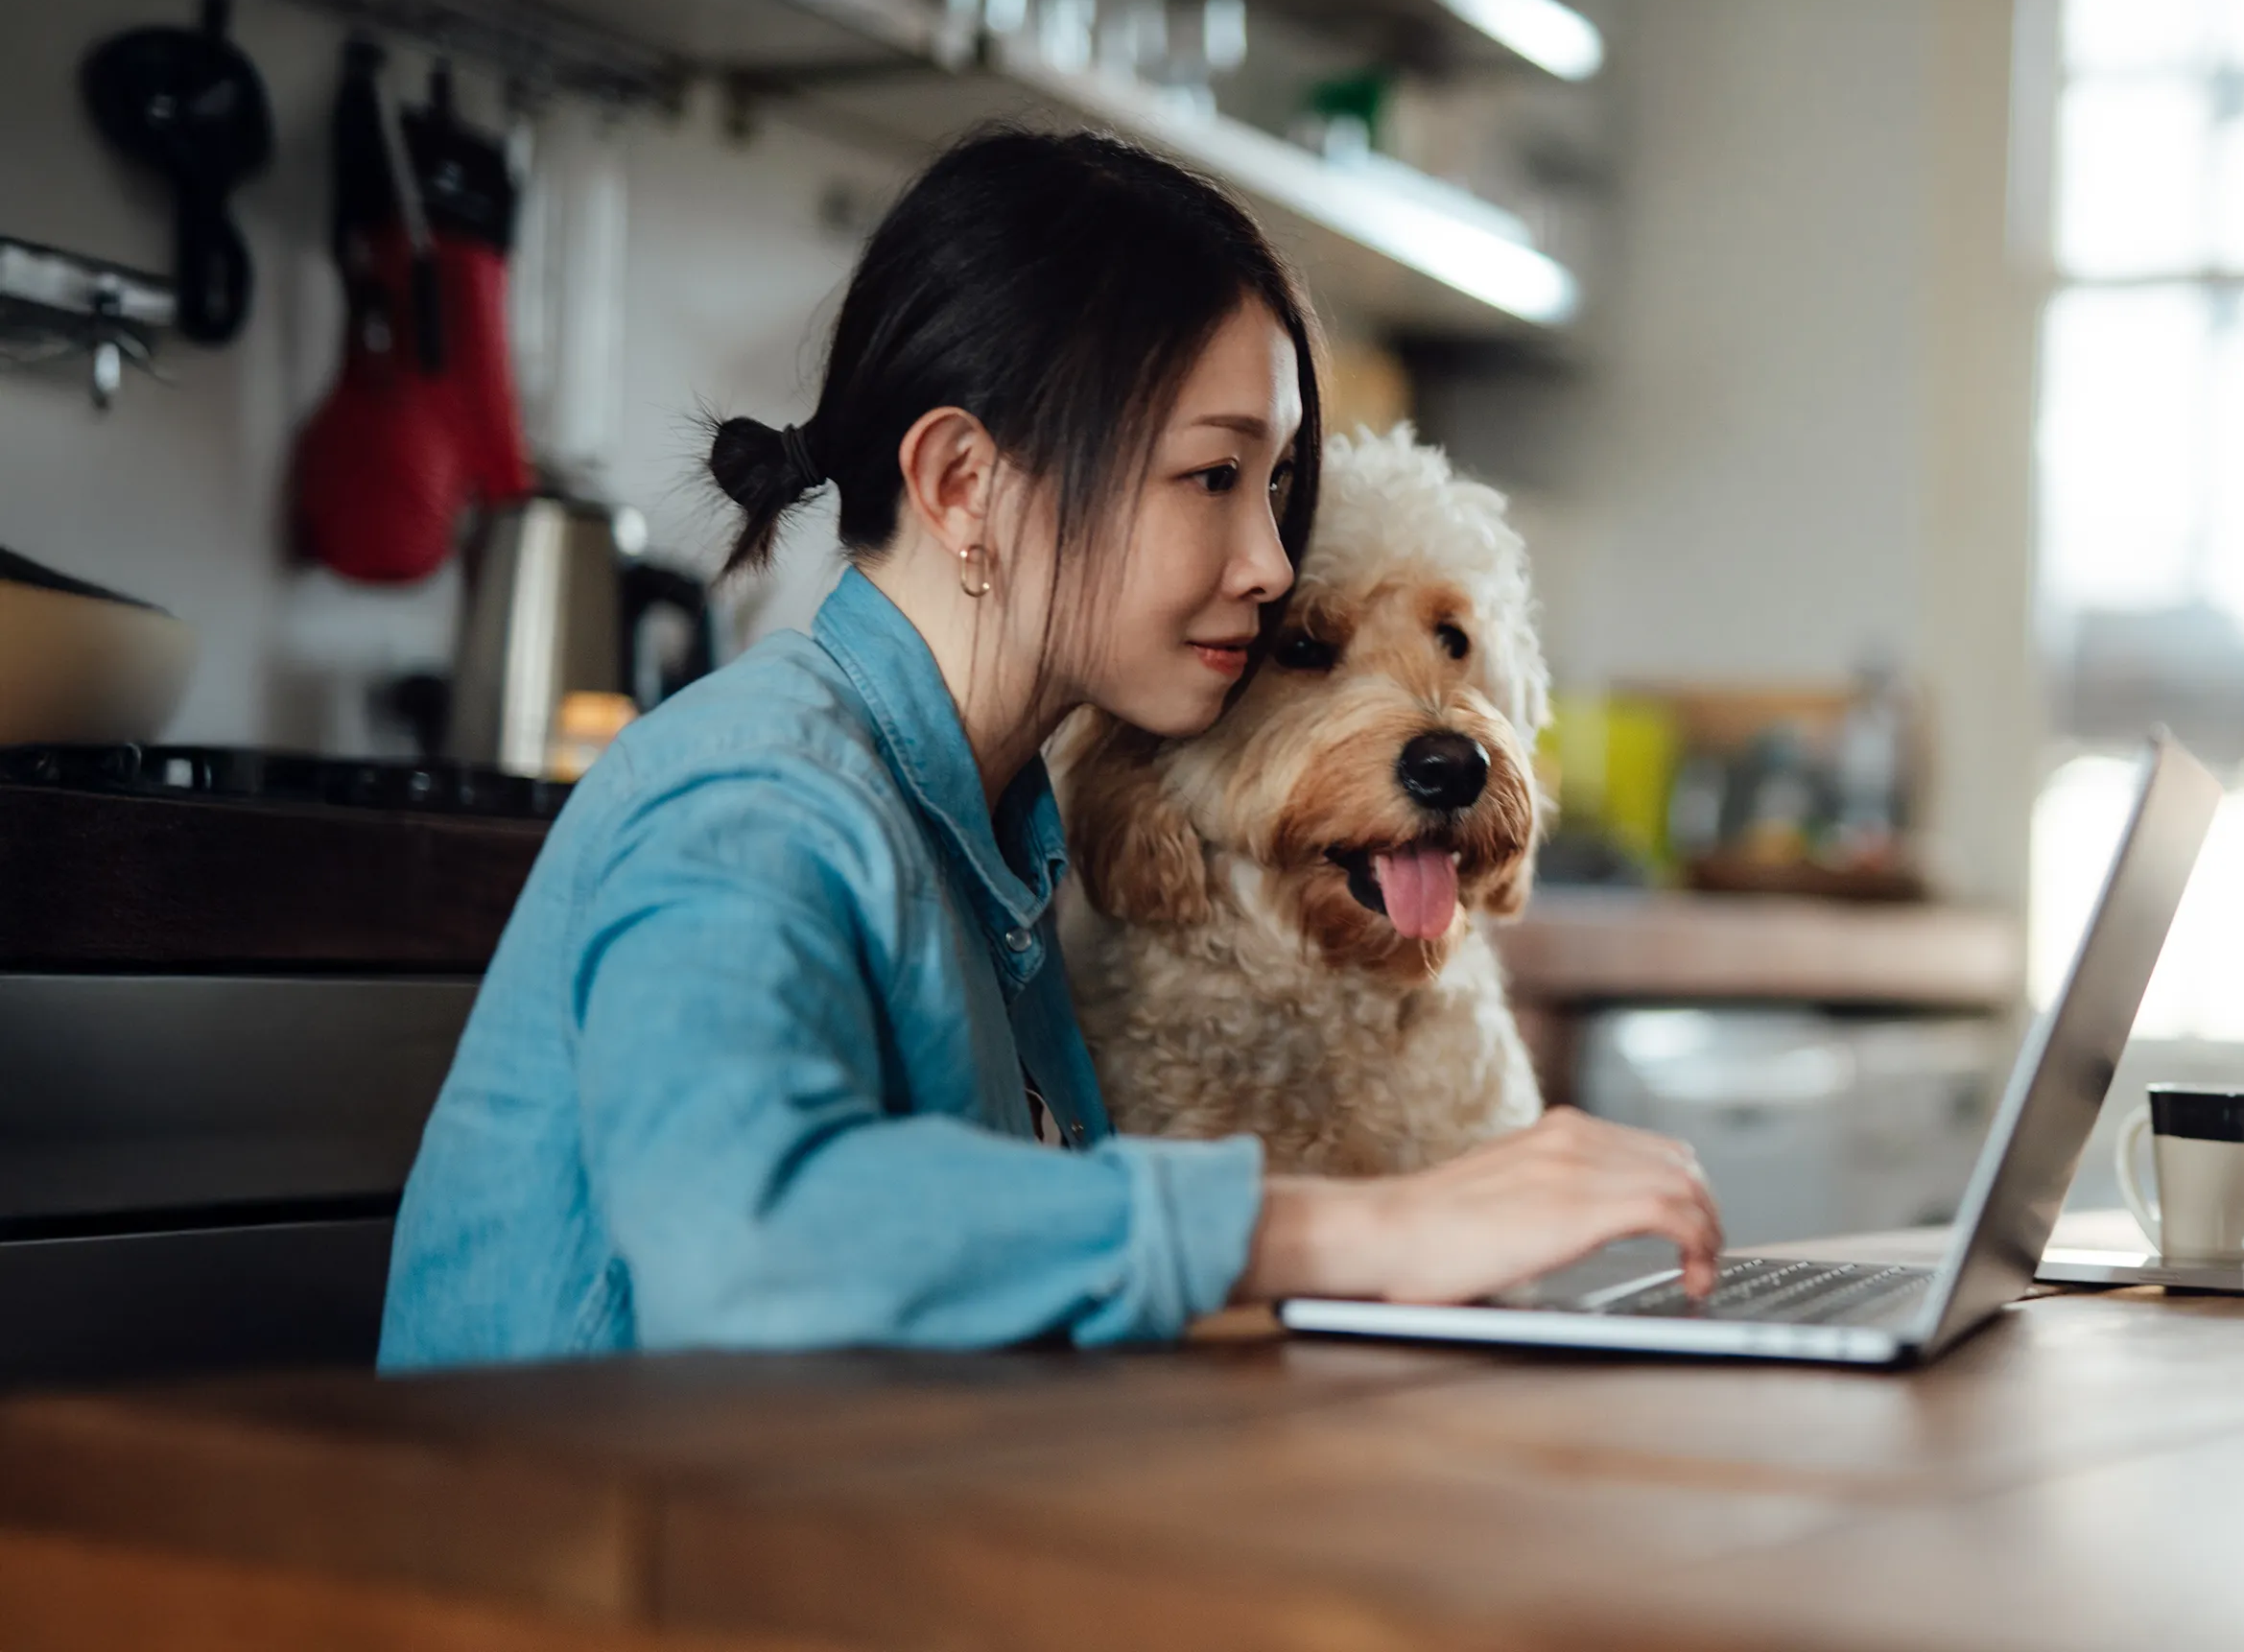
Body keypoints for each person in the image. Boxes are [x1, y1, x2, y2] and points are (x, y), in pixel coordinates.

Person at [380, 129, 1720, 1370]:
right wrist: (1360, 1229)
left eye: (1273, 487)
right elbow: (744, 1238)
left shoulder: (994, 830)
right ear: (964, 484)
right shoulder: (752, 798)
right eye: (1213, 478)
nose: (1268, 562)